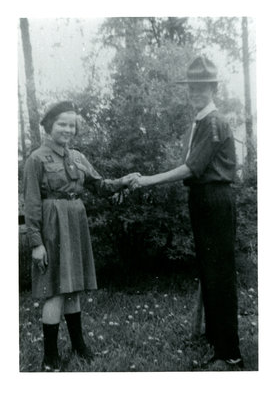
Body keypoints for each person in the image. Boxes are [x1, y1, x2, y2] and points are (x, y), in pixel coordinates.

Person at [129, 56, 243, 370]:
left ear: (213, 88)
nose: (196, 92)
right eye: (192, 87)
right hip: (202, 199)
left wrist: (149, 180)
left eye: (202, 87)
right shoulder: (200, 120)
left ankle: (230, 355)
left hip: (215, 199)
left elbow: (192, 167)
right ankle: (215, 338)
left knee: (219, 275)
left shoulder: (213, 122)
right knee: (209, 271)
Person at [23, 101, 139, 372]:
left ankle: (79, 346)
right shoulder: (36, 159)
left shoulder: (78, 157)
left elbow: (101, 186)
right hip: (52, 226)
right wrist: (36, 243)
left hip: (75, 223)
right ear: (49, 126)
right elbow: (31, 204)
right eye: (61, 123)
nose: (67, 129)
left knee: (73, 288)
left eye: (71, 124)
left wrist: (123, 180)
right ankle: (50, 356)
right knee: (54, 290)